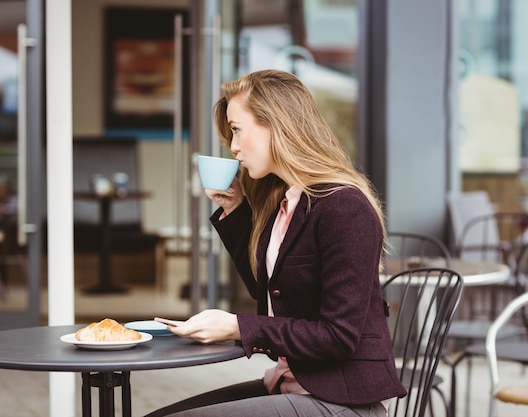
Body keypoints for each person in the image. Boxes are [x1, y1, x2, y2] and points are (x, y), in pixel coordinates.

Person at [146, 69, 406, 417]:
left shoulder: (344, 208)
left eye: (237, 130)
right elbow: (269, 291)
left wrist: (237, 326)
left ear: (276, 125)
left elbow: (338, 336)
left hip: (343, 401)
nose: (233, 148)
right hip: (295, 384)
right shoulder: (287, 202)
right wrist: (236, 209)